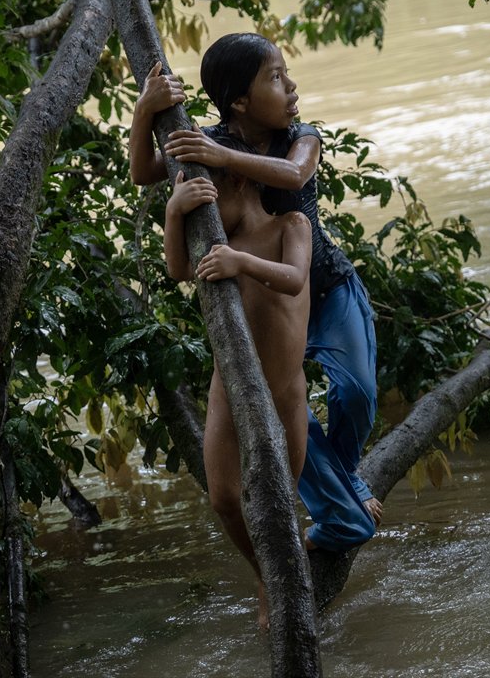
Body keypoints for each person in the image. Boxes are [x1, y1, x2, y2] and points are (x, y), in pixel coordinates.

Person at [130, 32, 381, 552]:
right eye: (275, 78)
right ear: (240, 101)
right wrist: (143, 113)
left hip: (325, 286)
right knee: (288, 407)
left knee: (357, 392)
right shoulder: (215, 138)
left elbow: (293, 172)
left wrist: (218, 154)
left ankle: (349, 476)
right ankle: (335, 502)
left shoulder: (301, 135)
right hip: (267, 301)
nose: (292, 88)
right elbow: (147, 172)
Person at [163, 160, 311, 629]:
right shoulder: (212, 242)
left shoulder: (292, 224)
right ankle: (265, 572)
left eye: (209, 204)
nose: (202, 220)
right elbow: (176, 269)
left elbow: (294, 278)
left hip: (285, 392)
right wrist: (172, 213)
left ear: (240, 182)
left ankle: (285, 578)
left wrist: (240, 261)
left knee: (279, 497)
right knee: (224, 499)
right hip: (228, 388)